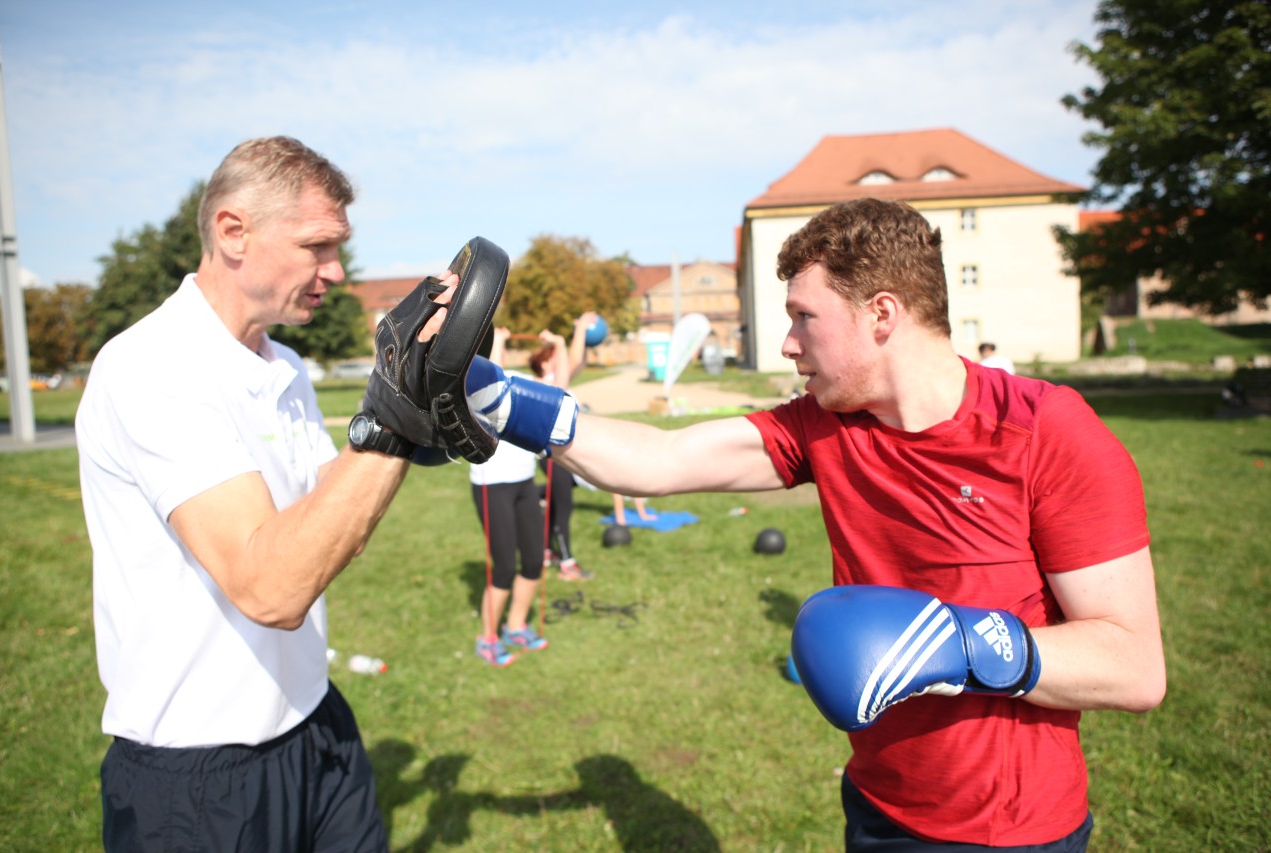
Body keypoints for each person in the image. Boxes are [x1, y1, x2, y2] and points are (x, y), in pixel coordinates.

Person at [460, 198, 1166, 850]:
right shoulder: (827, 423)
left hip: (1012, 830)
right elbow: (662, 457)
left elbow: (1135, 669)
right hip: (876, 802)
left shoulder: (1045, 430)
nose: (790, 343)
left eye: (804, 317)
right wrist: (498, 400)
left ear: (881, 315)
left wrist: (959, 645)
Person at [75, 136, 459, 851]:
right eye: (317, 245)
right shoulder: (151, 366)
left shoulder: (283, 365)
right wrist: (395, 410)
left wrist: (410, 421)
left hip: (314, 721)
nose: (336, 271)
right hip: (197, 773)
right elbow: (271, 588)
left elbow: (323, 509)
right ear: (232, 231)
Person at [468, 327, 551, 667]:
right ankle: (487, 638)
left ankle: (516, 626)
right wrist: (499, 341)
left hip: (524, 481)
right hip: (493, 485)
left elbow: (564, 370)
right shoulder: (479, 387)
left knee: (533, 560)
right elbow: (493, 376)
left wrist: (557, 343)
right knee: (503, 566)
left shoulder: (531, 384)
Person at [529, 313, 601, 581]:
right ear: (545, 362)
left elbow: (577, 360)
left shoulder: (560, 380)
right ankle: (567, 564)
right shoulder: (544, 384)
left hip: (565, 455)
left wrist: (578, 330)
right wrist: (579, 328)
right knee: (563, 506)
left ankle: (547, 551)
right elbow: (572, 361)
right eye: (554, 356)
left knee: (557, 502)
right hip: (553, 456)